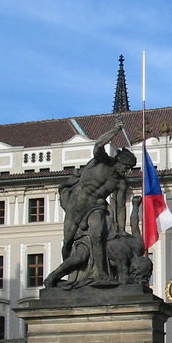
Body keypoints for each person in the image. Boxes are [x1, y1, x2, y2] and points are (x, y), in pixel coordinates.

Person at [44, 116, 137, 288]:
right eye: (126, 167)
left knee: (98, 235)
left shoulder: (120, 182)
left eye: (129, 169)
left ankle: (102, 274)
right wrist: (115, 131)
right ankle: (62, 275)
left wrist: (121, 229)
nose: (127, 171)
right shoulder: (101, 161)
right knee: (68, 242)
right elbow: (98, 145)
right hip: (77, 205)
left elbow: (120, 206)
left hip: (96, 207)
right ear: (119, 161)